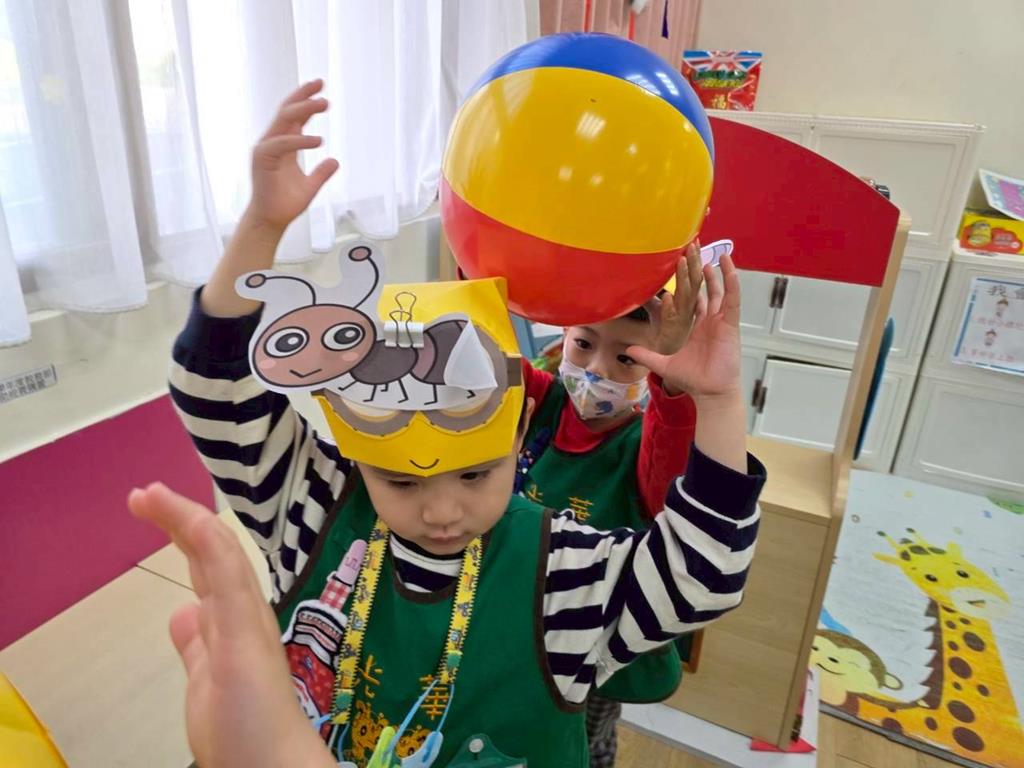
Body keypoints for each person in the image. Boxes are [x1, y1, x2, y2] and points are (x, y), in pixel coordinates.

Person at [168, 79, 764, 767]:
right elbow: (215, 394)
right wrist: (262, 226)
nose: (443, 512)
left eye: (476, 474)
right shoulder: (315, 513)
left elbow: (700, 574)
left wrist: (717, 400)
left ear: (521, 429)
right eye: (400, 481)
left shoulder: (559, 576)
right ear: (355, 454)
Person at [517, 248, 705, 767]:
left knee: (584, 745)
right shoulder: (544, 400)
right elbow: (489, 357)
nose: (596, 369)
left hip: (597, 645)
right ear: (563, 337)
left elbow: (673, 455)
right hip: (525, 620)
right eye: (583, 343)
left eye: (627, 358)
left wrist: (674, 377)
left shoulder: (645, 445)